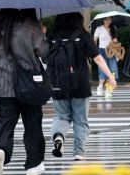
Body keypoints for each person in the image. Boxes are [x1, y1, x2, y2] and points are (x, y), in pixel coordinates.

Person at [0, 9, 49, 175]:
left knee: (6, 122)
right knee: (32, 123)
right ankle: (33, 165)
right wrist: (42, 35)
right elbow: (43, 52)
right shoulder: (31, 26)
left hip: (1, 84)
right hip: (27, 84)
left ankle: (1, 149)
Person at [48, 12, 117, 161]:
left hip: (58, 84)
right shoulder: (83, 35)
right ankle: (79, 152)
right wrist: (110, 77)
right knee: (80, 120)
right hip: (80, 84)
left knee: (62, 117)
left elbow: (43, 58)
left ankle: (59, 135)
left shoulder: (52, 37)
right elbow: (98, 58)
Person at [94, 17, 119, 99]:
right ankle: (100, 86)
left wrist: (115, 40)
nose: (108, 21)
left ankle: (109, 89)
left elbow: (115, 40)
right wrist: (94, 51)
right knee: (102, 69)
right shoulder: (99, 29)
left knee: (113, 69)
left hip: (111, 50)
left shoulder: (113, 28)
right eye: (106, 19)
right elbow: (95, 40)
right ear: (103, 20)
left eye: (110, 19)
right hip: (101, 50)